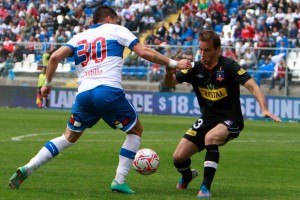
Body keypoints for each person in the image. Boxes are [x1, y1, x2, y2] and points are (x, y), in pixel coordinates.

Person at [8, 6, 191, 194]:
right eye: (117, 20)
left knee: (68, 137)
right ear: (110, 19)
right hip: (108, 91)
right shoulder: (116, 29)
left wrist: (47, 84)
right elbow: (143, 52)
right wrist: (174, 63)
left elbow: (54, 57)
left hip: (84, 95)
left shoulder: (79, 37)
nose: (118, 23)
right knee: (135, 130)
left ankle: (28, 168)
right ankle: (119, 180)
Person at [163, 30, 280, 198]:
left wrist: (264, 108)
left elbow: (253, 85)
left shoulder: (229, 66)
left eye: (207, 50)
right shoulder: (195, 68)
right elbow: (169, 84)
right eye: (201, 49)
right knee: (178, 157)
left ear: (218, 50)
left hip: (230, 119)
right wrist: (169, 72)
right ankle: (188, 175)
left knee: (211, 138)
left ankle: (205, 188)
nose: (202, 54)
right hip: (207, 119)